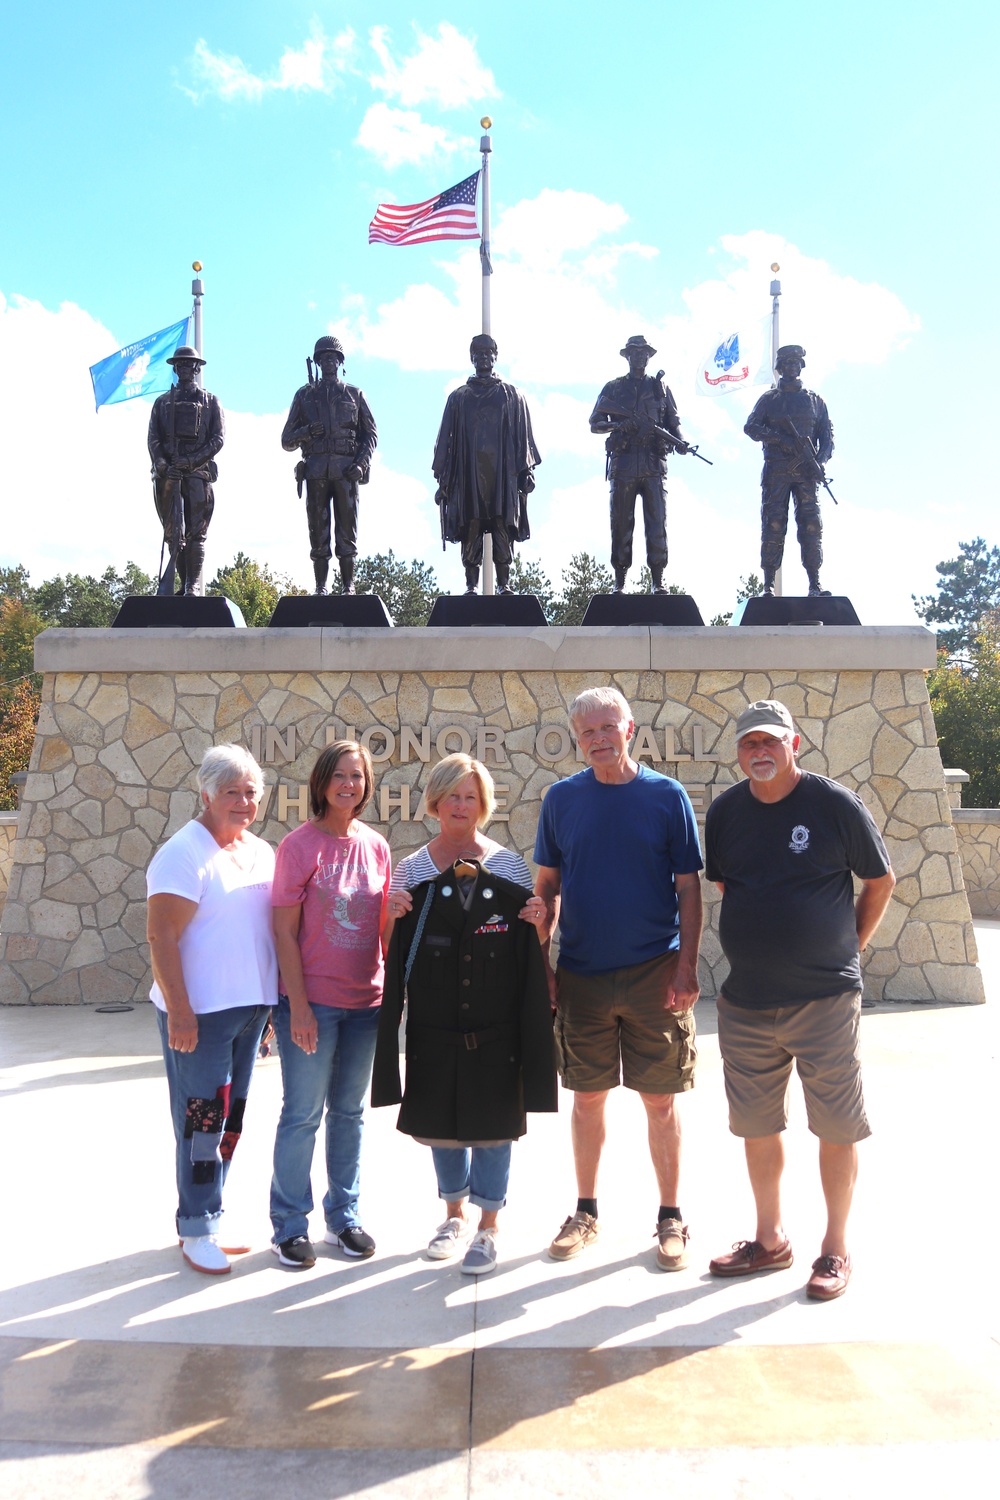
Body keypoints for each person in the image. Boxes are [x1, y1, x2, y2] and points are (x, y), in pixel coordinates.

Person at [704, 700, 896, 1300]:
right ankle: (770, 1241)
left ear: (795, 744)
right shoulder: (727, 812)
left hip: (825, 1000)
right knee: (757, 1126)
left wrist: (848, 948)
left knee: (836, 1126)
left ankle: (835, 1249)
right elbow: (730, 885)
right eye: (748, 743)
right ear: (739, 752)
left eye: (771, 741)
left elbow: (880, 880)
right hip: (746, 1003)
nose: (759, 751)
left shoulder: (833, 805)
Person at [533, 687, 703, 1270]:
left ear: (630, 727)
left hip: (657, 972)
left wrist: (687, 966)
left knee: (661, 1099)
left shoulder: (666, 796)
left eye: (609, 726)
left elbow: (688, 888)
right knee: (587, 1097)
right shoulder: (560, 800)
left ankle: (671, 1218)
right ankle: (585, 1212)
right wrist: (545, 966)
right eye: (588, 731)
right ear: (576, 739)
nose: (599, 738)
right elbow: (547, 888)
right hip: (581, 973)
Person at [374, 754, 555, 1276]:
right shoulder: (410, 870)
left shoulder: (508, 866)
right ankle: (452, 1216)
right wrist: (391, 917)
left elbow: (530, 943)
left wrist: (541, 922)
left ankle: (488, 1226)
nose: (461, 805)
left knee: (496, 1125)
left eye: (470, 796)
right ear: (435, 801)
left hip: (497, 1025)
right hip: (435, 1024)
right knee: (444, 1124)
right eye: (452, 795)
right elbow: (393, 948)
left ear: (483, 804)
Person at [146, 744, 276, 1275]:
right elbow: (161, 936)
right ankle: (195, 1225)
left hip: (250, 1013)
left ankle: (210, 1217)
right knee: (201, 1122)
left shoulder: (260, 851)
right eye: (231, 791)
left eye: (251, 792)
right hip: (199, 1018)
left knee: (229, 1121)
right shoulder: (184, 853)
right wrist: (179, 1011)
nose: (243, 801)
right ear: (206, 793)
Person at [268, 741, 391, 1268]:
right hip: (312, 1003)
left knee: (349, 1114)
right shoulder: (298, 847)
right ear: (321, 783)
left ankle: (344, 1217)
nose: (349, 784)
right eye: (339, 775)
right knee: (302, 1115)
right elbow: (283, 932)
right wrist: (297, 1008)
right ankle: (289, 1226)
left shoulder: (377, 846)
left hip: (366, 1004)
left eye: (357, 776)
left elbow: (384, 927)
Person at [432, 334, 541, 595]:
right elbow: (444, 442)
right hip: (469, 476)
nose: (483, 358)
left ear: (495, 357)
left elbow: (523, 436)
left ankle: (504, 584)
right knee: (471, 527)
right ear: (472, 359)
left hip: (503, 476)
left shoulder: (511, 395)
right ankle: (471, 585)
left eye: (488, 353)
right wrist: (444, 481)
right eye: (478, 354)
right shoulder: (458, 398)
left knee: (503, 527)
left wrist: (527, 471)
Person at [589, 335, 689, 594]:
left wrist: (682, 441)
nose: (639, 357)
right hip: (623, 463)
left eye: (644, 353)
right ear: (627, 356)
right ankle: (619, 581)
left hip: (653, 463)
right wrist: (618, 425)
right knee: (621, 523)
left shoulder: (661, 388)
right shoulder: (613, 388)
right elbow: (594, 423)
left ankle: (658, 580)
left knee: (657, 522)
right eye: (635, 352)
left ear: (649, 357)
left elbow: (674, 422)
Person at [281, 336, 378, 596]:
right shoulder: (304, 395)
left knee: (347, 532)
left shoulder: (355, 394)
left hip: (346, 471)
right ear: (317, 362)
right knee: (318, 530)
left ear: (340, 362)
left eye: (333, 358)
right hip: (315, 471)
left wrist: (361, 464)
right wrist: (307, 432)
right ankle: (321, 586)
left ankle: (348, 586)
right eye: (323, 358)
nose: (328, 362)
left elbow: (370, 435)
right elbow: (286, 440)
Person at [743, 344, 834, 597]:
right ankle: (768, 583)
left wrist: (820, 463)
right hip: (777, 473)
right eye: (787, 364)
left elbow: (827, 438)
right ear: (780, 368)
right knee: (773, 524)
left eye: (796, 363)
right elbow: (751, 427)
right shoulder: (769, 400)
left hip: (806, 474)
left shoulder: (816, 401)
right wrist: (779, 439)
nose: (792, 367)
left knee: (811, 526)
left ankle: (815, 583)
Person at [147, 346, 225, 598]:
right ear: (175, 368)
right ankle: (180, 582)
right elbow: (153, 438)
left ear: (197, 368)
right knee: (172, 532)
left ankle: (193, 584)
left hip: (197, 474)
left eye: (189, 365)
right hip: (169, 475)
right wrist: (162, 464)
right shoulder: (162, 402)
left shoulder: (211, 402)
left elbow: (217, 439)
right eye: (180, 365)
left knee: (196, 533)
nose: (184, 369)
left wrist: (191, 461)